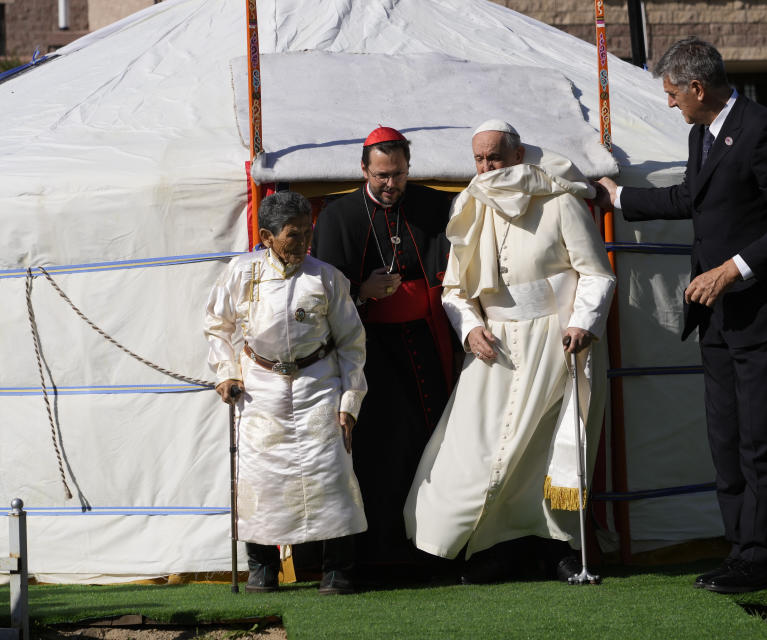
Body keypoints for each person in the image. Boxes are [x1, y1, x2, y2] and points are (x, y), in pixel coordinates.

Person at [594, 37, 767, 594]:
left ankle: (763, 557)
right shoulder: (702, 135)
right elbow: (692, 199)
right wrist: (618, 199)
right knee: (724, 436)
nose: (669, 104)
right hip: (716, 315)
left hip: (762, 308)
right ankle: (740, 552)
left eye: (672, 93)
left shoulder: (763, 130)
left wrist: (731, 270)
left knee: (758, 437)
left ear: (697, 88)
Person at [403, 120, 616, 583]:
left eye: (494, 158)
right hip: (493, 347)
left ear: (518, 155)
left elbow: (597, 274)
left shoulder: (559, 200)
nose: (485, 167)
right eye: (479, 159)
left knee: (544, 450)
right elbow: (455, 291)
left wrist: (583, 323)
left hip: (555, 342)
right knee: (476, 448)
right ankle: (479, 548)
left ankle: (554, 549)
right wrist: (470, 329)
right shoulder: (472, 206)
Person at [204, 191, 368, 595]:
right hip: (260, 388)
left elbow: (351, 342)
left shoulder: (327, 277)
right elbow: (216, 325)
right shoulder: (241, 273)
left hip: (319, 384)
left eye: (307, 232)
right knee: (261, 479)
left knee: (331, 473)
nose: (304, 242)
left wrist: (350, 399)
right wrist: (226, 372)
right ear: (267, 236)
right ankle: (262, 567)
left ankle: (338, 569)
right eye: (294, 235)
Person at [311, 126, 455, 577]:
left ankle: (430, 550)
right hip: (366, 353)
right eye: (381, 176)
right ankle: (375, 556)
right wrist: (363, 290)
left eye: (398, 174)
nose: (390, 185)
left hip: (425, 346)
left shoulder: (433, 205)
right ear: (363, 170)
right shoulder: (339, 215)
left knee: (428, 443)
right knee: (377, 451)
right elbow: (322, 291)